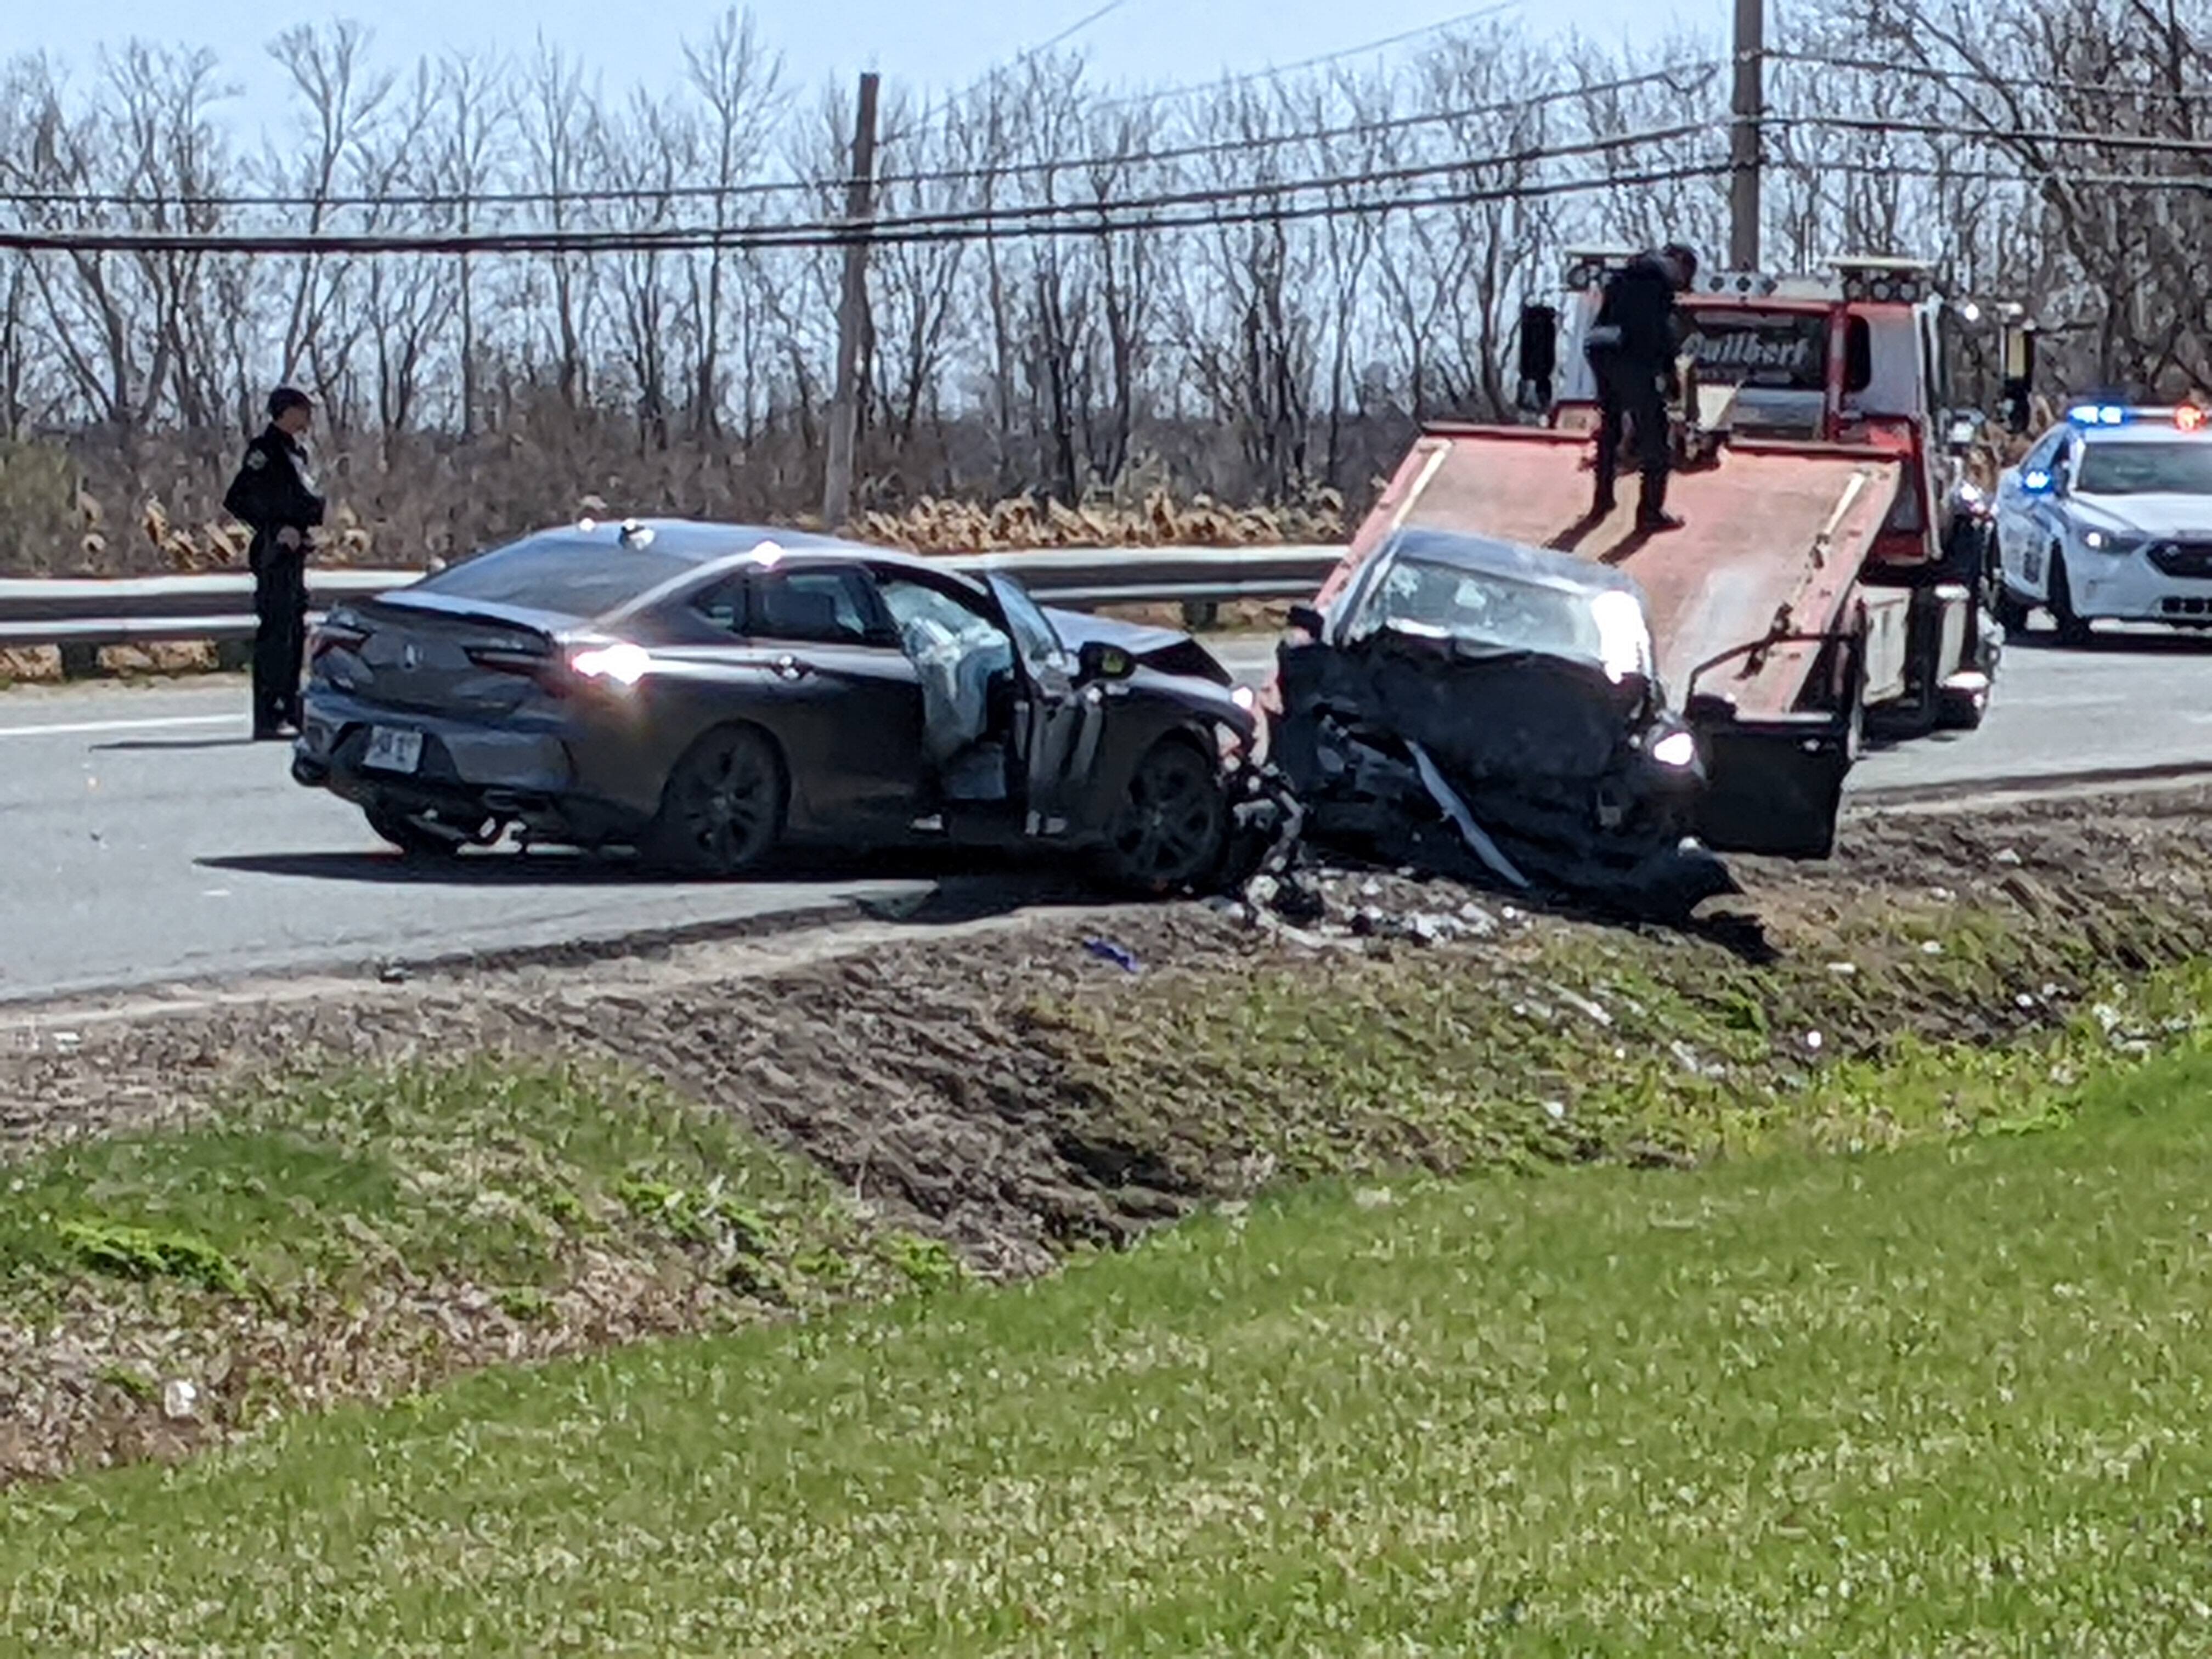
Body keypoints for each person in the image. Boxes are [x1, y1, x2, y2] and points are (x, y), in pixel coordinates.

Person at [223, 387, 325, 740]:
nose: (309, 416)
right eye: (303, 409)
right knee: (275, 635)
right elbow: (238, 499)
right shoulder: (264, 451)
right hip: (274, 553)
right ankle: (269, 716)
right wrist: (276, 527)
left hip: (296, 555)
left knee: (294, 633)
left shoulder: (298, 452)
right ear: (287, 412)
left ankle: (291, 708)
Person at [1585, 243, 1699, 532]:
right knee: (1655, 435)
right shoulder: (1663, 275)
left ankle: (1602, 499)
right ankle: (1650, 512)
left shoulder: (1626, 273)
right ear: (1682, 264)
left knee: (1611, 426)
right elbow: (1659, 330)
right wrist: (1670, 375)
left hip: (1600, 348)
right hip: (1630, 354)